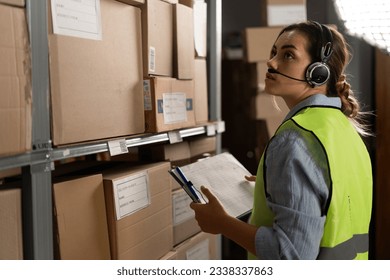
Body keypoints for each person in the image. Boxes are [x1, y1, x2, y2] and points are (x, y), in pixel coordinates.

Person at [190, 20, 373, 260]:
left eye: (288, 55)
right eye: (274, 52)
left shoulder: (295, 139)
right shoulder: (344, 128)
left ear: (318, 73)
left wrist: (222, 224)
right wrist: (278, 184)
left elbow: (290, 256)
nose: (271, 62)